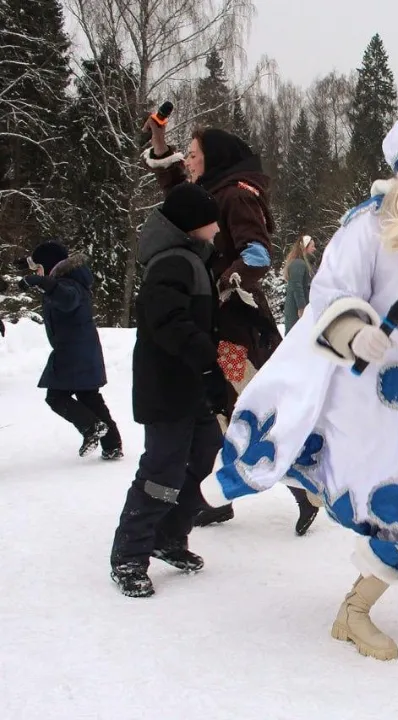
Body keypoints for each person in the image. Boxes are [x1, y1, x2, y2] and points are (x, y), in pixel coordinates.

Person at [196, 113, 398, 661]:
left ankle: (356, 608)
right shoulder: (370, 226)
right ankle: (355, 612)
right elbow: (330, 293)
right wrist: (355, 330)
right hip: (380, 402)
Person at [141, 119, 314, 533]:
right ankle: (209, 500)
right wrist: (160, 147)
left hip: (236, 334)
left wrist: (221, 285)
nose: (190, 161)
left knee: (251, 410)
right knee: (214, 413)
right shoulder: (209, 194)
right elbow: (178, 195)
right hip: (210, 329)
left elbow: (257, 254)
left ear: (212, 158)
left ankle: (305, 490)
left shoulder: (236, 197)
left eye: (194, 154)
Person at [109, 183, 229, 597]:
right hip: (167, 390)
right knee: (162, 471)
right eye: (213, 221)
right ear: (195, 224)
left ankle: (169, 536)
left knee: (203, 451)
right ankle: (129, 554)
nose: (218, 229)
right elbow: (170, 323)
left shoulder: (192, 259)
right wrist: (209, 364)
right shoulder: (172, 264)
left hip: (190, 387)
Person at [17, 240, 122, 460]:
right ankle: (112, 445)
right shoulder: (68, 280)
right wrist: (30, 269)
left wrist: (43, 281)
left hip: (73, 351)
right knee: (89, 396)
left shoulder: (68, 284)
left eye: (39, 267)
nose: (37, 272)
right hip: (81, 349)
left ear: (49, 265)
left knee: (56, 396)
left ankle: (91, 427)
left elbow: (67, 300)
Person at [283, 235, 317, 333]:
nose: (314, 249)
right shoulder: (298, 263)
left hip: (305, 308)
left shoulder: (308, 264)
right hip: (296, 310)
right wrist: (301, 308)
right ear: (304, 247)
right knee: (294, 336)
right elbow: (297, 287)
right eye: (312, 246)